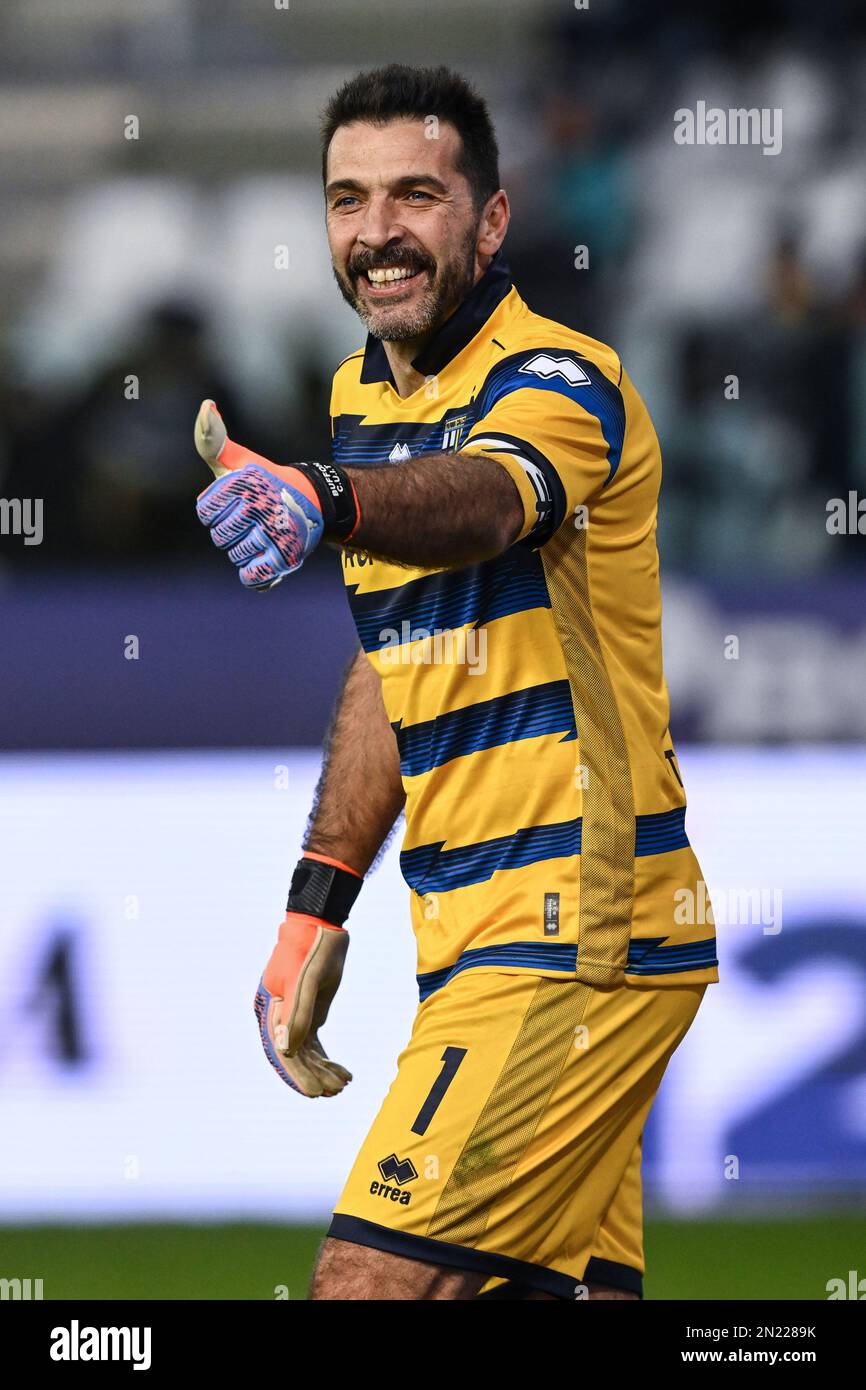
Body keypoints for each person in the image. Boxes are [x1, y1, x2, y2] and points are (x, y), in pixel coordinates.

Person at [194, 63, 719, 1302]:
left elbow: (485, 503)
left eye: (414, 195)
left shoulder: (560, 380)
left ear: (488, 221)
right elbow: (393, 658)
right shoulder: (357, 397)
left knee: (364, 1288)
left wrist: (326, 495)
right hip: (470, 933)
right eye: (346, 199)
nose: (375, 230)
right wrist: (314, 908)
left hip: (572, 934)